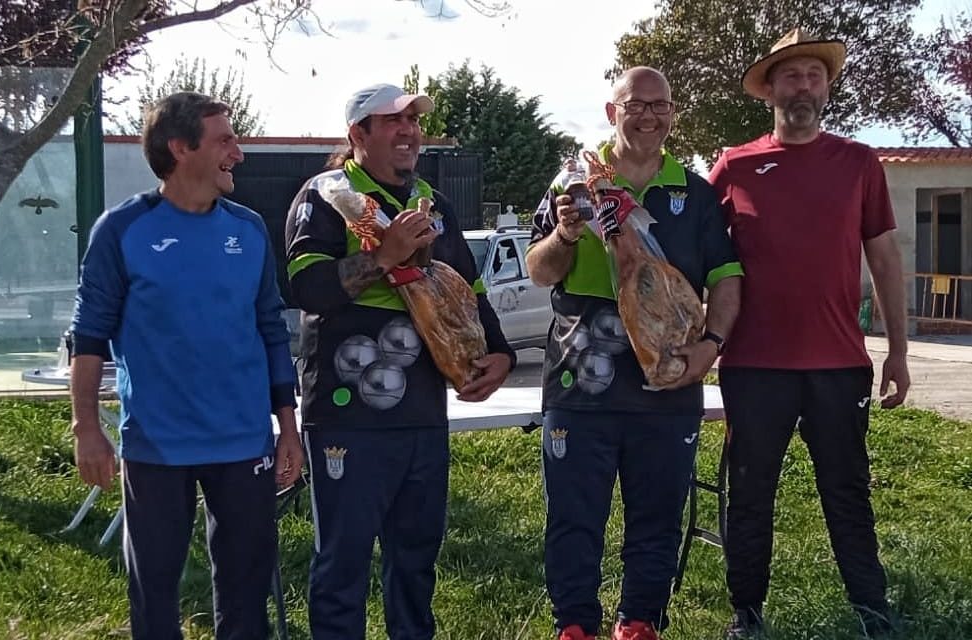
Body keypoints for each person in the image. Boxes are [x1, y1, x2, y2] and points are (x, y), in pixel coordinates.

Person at [284, 82, 516, 640]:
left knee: (415, 559)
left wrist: (501, 352)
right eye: (393, 121)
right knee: (342, 560)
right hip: (347, 413)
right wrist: (383, 255)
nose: (409, 130)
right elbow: (305, 288)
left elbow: (470, 287)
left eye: (414, 120)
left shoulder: (431, 201)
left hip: (421, 407)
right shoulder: (327, 194)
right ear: (357, 134)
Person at [69, 92, 303, 639]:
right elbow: (88, 338)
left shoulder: (247, 231)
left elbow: (271, 328)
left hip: (244, 442)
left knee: (247, 600)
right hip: (157, 445)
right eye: (224, 140)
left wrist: (286, 427)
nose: (238, 153)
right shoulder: (121, 230)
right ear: (180, 148)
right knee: (155, 597)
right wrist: (86, 428)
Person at [525, 66, 743, 640]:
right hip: (580, 380)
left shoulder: (694, 192)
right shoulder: (571, 183)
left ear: (672, 113)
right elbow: (539, 270)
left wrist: (711, 348)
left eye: (660, 105)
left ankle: (640, 622)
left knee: (658, 515)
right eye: (635, 105)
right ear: (611, 112)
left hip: (668, 379)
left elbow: (725, 278)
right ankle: (574, 625)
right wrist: (566, 237)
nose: (648, 116)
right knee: (574, 518)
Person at [707, 28, 911, 638]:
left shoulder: (858, 162)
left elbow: (884, 257)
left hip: (838, 363)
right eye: (791, 76)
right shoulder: (734, 166)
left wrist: (898, 349)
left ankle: (872, 609)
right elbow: (701, 262)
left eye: (814, 75)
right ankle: (746, 611)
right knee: (750, 493)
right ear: (770, 88)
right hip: (754, 365)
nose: (804, 86)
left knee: (847, 491)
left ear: (827, 86)